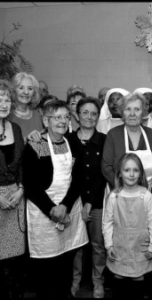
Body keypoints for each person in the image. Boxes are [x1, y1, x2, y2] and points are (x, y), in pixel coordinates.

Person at [22, 100, 89, 298]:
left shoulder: (73, 143)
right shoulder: (36, 144)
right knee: (45, 267)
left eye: (65, 117)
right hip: (44, 212)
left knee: (65, 262)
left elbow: (77, 180)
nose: (62, 121)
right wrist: (52, 210)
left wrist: (65, 207)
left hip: (68, 209)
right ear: (45, 120)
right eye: (56, 117)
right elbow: (31, 185)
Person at [64, 97, 107, 298]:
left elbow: (102, 174)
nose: (89, 117)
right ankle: (75, 282)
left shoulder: (104, 140)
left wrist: (89, 202)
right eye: (85, 112)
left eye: (93, 113)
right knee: (76, 245)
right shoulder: (67, 140)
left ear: (98, 116)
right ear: (77, 115)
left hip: (97, 201)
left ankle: (98, 282)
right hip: (72, 202)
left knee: (98, 244)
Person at [102, 153, 152, 298]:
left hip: (140, 247)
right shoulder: (114, 196)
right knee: (119, 278)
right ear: (120, 174)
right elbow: (107, 223)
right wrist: (108, 245)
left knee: (138, 278)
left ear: (141, 173)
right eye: (127, 170)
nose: (132, 174)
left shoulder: (146, 196)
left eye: (136, 170)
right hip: (119, 246)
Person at [101, 92, 152, 207]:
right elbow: (106, 168)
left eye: (137, 109)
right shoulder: (113, 135)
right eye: (128, 109)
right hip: (121, 198)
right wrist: (125, 192)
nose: (132, 114)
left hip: (150, 199)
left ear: (143, 112)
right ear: (122, 112)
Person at [0, 80, 26, 299]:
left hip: (16, 197)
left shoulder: (15, 128)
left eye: (7, 99)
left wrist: (21, 190)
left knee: (15, 259)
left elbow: (22, 165)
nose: (4, 103)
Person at [9, 72, 43, 139]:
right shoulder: (7, 116)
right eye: (21, 88)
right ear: (13, 91)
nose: (26, 92)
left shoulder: (38, 116)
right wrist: (26, 139)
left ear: (34, 93)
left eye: (30, 88)